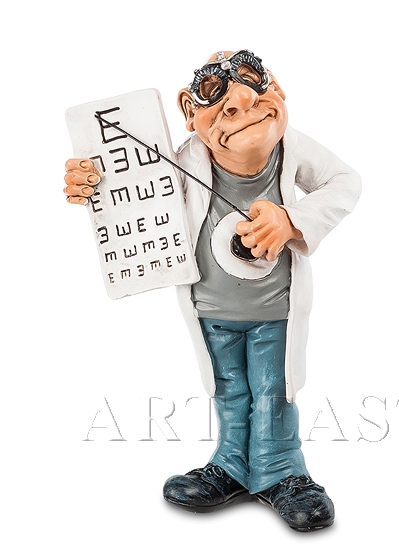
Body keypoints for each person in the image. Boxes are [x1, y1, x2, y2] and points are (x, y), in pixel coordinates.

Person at [64, 50, 361, 531]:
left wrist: (292, 219)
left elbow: (345, 182)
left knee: (274, 388)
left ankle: (281, 470)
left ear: (277, 88)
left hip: (275, 307)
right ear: (190, 112)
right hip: (210, 308)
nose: (240, 101)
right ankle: (232, 465)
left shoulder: (291, 147)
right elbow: (135, 194)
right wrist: (94, 183)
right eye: (213, 92)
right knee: (229, 388)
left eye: (251, 80)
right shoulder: (182, 160)